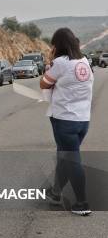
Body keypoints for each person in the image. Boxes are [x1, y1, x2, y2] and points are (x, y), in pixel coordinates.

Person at [40, 27, 94, 216]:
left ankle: (82, 202)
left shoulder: (61, 63)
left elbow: (44, 84)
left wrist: (49, 61)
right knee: (65, 158)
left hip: (65, 120)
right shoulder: (84, 61)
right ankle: (55, 193)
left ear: (58, 45)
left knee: (72, 161)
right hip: (83, 121)